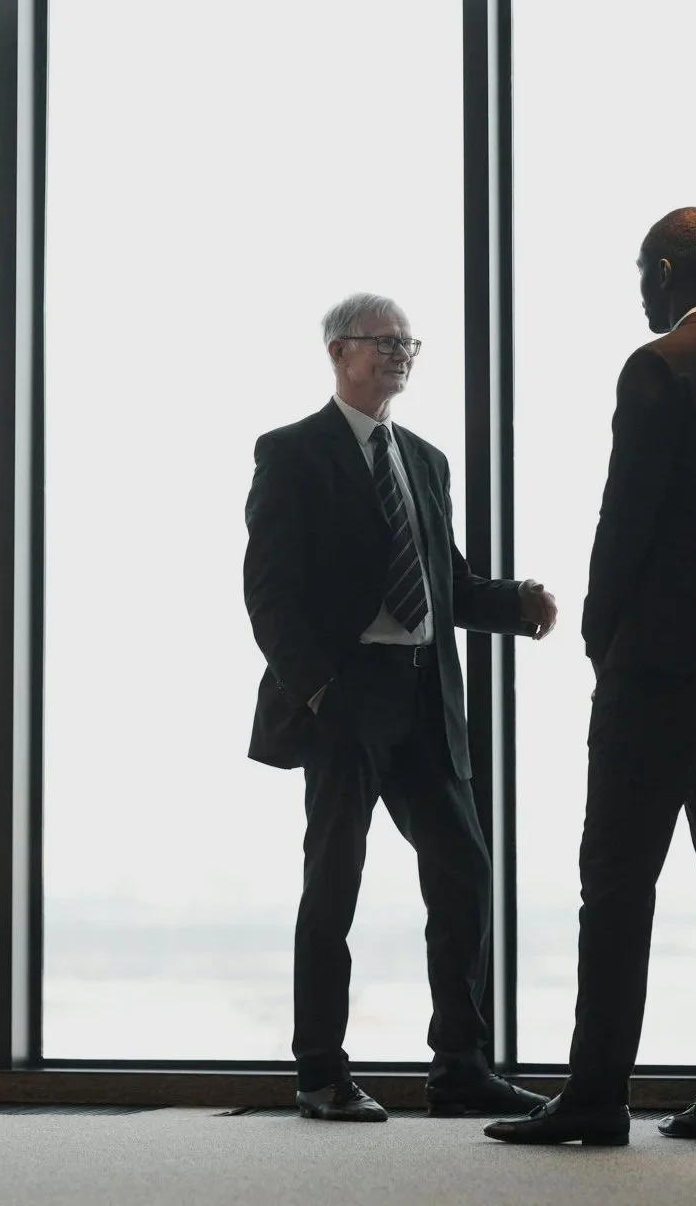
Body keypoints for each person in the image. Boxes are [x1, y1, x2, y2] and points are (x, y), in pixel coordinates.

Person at [488, 209, 696, 1149]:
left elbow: (627, 512)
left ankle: (595, 1096)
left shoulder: (658, 364)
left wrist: (596, 628)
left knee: (617, 877)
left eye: (640, 269)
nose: (637, 286)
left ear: (666, 270)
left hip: (661, 661)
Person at [244, 293, 558, 1123]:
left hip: (424, 696)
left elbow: (442, 582)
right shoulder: (291, 454)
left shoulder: (422, 459)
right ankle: (319, 1073)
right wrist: (320, 691)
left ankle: (458, 1068)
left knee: (465, 878)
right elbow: (269, 597)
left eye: (408, 343)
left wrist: (513, 601)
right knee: (333, 887)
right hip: (343, 701)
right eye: (385, 342)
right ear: (338, 351)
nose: (401, 354)